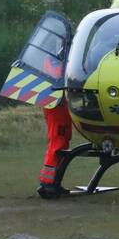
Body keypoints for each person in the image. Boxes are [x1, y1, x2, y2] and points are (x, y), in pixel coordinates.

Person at [38, 52, 72, 198]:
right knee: (57, 143)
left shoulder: (50, 59)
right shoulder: (55, 62)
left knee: (61, 142)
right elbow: (60, 79)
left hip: (57, 106)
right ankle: (48, 183)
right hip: (57, 107)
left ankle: (53, 183)